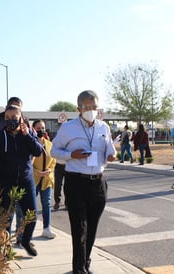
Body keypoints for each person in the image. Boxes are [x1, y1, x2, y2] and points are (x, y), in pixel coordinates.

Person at [50, 90, 116, 274]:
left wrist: (112, 155)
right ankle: (78, 269)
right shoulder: (68, 128)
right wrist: (71, 155)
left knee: (92, 228)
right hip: (76, 182)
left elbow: (110, 149)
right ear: (79, 108)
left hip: (98, 183)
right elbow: (53, 152)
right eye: (87, 107)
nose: (92, 110)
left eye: (94, 107)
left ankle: (86, 262)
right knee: (80, 229)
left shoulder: (103, 127)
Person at [0, 105, 43, 257]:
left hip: (26, 181)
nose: (10, 121)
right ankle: (5, 247)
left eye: (14, 118)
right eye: (7, 118)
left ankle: (25, 240)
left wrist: (27, 135)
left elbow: (38, 151)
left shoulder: (27, 135)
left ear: (21, 119)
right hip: (5, 182)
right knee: (5, 217)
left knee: (31, 214)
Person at [32, 119, 57, 239]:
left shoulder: (49, 144)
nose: (41, 130)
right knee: (31, 205)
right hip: (34, 178)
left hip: (47, 178)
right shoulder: (30, 143)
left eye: (42, 128)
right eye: (38, 128)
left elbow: (54, 161)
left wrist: (49, 171)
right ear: (33, 129)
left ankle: (47, 228)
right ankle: (28, 230)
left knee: (46, 203)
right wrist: (36, 172)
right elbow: (27, 161)